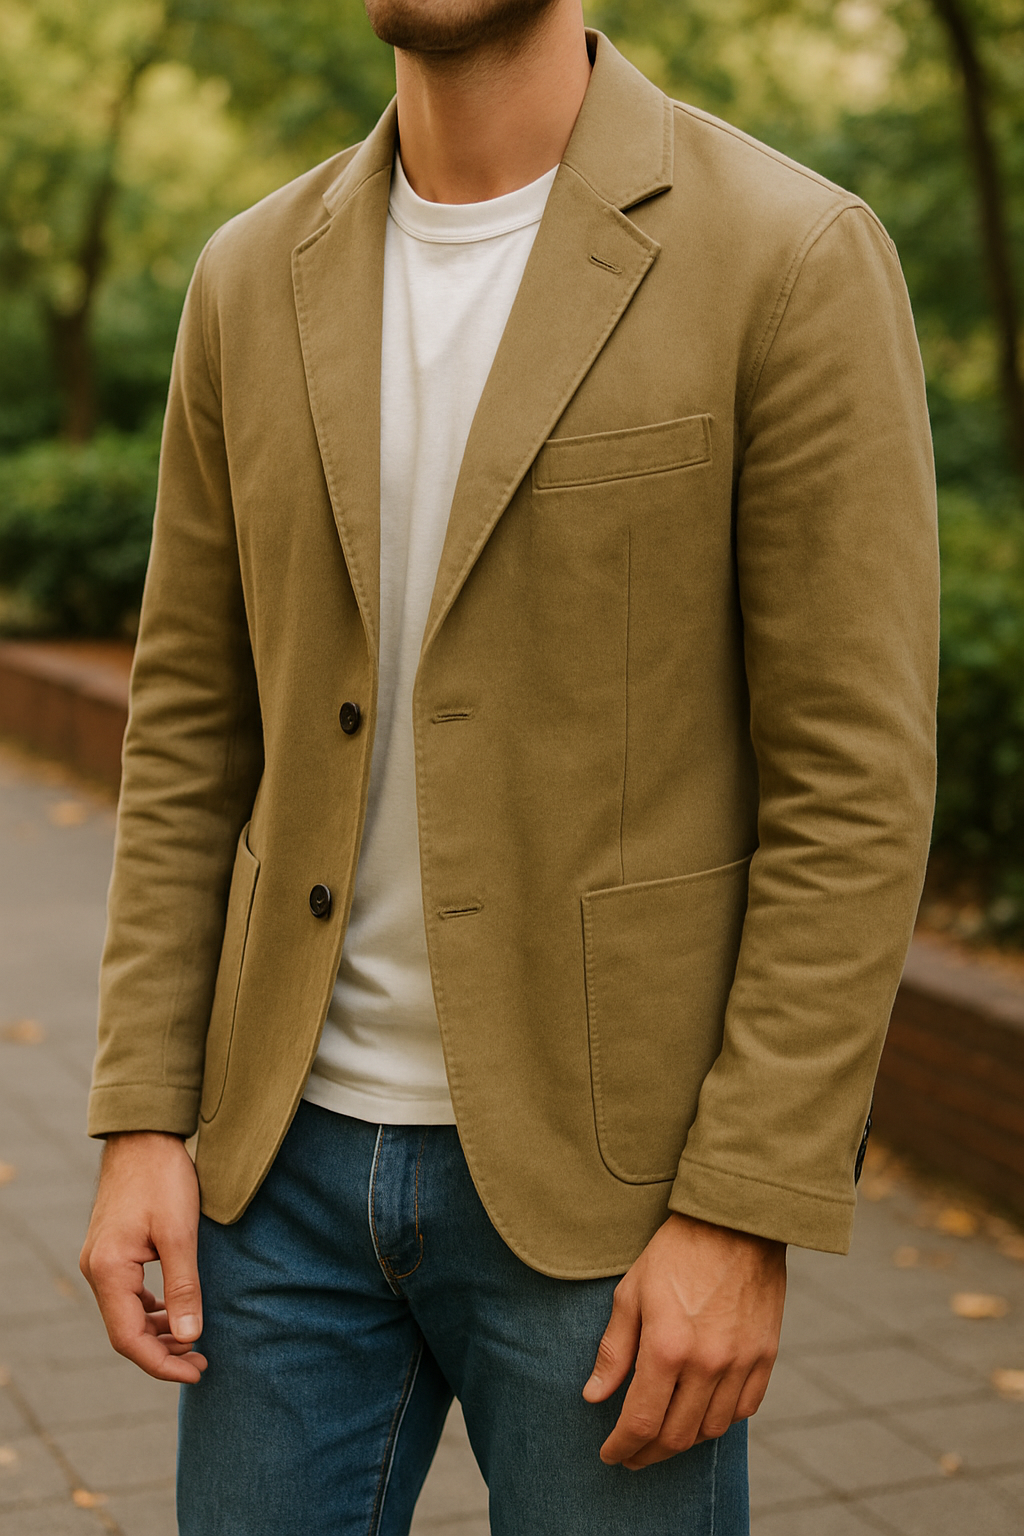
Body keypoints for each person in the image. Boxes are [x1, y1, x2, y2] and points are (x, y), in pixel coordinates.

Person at [79, 2, 939, 1532]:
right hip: (270, 1183)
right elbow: (195, 729)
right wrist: (145, 1112)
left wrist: (746, 1206)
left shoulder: (790, 255)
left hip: (616, 1200)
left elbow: (854, 789)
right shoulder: (244, 279)